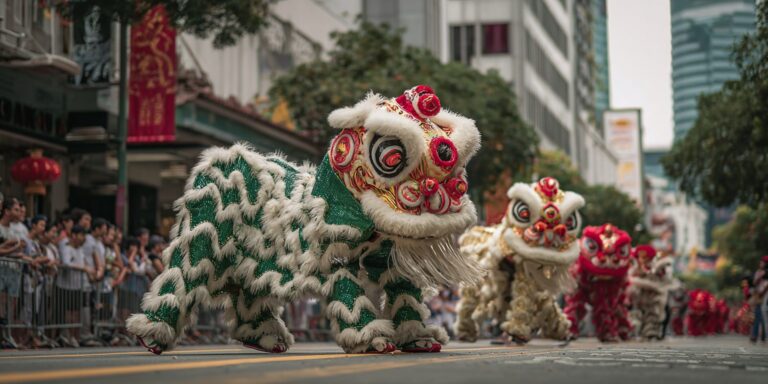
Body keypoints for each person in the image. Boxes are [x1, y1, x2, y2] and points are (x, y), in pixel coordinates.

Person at [56, 225, 91, 347]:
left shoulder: (79, 250)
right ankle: (67, 336)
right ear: (74, 235)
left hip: (77, 286)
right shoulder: (66, 248)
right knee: (68, 314)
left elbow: (83, 263)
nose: (83, 239)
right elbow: (66, 263)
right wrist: (83, 268)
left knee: (76, 313)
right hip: (66, 286)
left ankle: (74, 337)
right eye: (81, 235)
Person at [751, 256, 768, 343]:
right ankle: (755, 335)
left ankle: (764, 335)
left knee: (763, 316)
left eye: (763, 262)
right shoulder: (758, 272)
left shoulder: (766, 272)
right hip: (758, 295)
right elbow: (754, 283)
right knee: (757, 315)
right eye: (760, 262)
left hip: (765, 295)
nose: (761, 264)